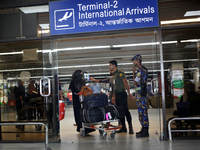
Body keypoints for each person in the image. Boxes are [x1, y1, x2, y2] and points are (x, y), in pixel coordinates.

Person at [108, 60, 134, 134]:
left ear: (114, 65)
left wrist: (129, 92)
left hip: (122, 94)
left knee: (125, 111)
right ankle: (123, 127)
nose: (109, 67)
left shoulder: (120, 73)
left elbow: (125, 81)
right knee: (119, 112)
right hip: (117, 95)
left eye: (110, 65)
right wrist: (113, 96)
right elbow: (114, 86)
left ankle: (130, 127)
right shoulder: (114, 75)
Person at [69, 70, 95, 134]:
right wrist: (78, 92)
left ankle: (86, 127)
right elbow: (73, 89)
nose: (81, 75)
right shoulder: (73, 82)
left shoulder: (82, 81)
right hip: (77, 99)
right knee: (78, 112)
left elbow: (87, 86)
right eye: (80, 74)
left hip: (83, 98)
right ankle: (80, 126)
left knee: (84, 112)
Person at [132, 54, 149, 138]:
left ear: (137, 61)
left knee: (143, 111)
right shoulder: (143, 69)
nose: (133, 62)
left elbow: (135, 82)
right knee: (141, 111)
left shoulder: (141, 70)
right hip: (141, 94)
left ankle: (145, 130)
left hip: (141, 94)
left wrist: (133, 73)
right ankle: (143, 128)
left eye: (134, 60)